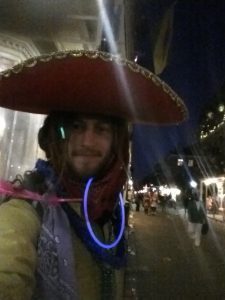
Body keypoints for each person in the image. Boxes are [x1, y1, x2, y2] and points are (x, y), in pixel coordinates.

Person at [0, 49, 187, 300]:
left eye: (101, 129)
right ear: (58, 134)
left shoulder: (111, 209)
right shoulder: (28, 209)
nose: (87, 141)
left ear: (116, 143)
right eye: (76, 127)